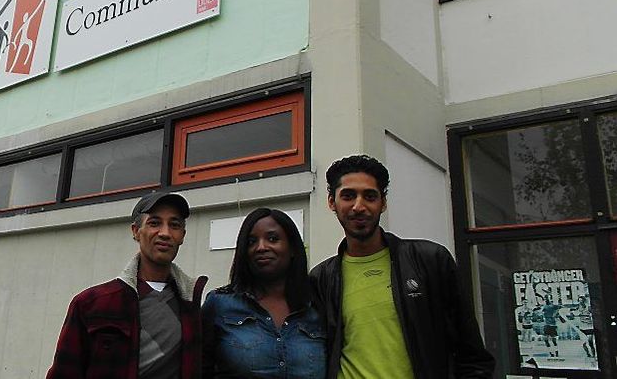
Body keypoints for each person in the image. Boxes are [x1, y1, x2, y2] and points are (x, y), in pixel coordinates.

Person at [310, 155, 494, 379]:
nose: (359, 206)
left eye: (370, 196)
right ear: (332, 202)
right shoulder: (322, 278)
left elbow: (473, 357)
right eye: (348, 196)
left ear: (383, 203)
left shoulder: (430, 261)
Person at [47, 191, 208, 379]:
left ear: (182, 236)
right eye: (154, 223)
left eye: (174, 225)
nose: (165, 233)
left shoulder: (191, 306)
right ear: (135, 231)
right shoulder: (91, 304)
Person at [202, 208, 325, 378]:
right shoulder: (219, 304)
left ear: (293, 249)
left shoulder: (317, 304)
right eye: (251, 241)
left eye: (273, 239)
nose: (261, 247)